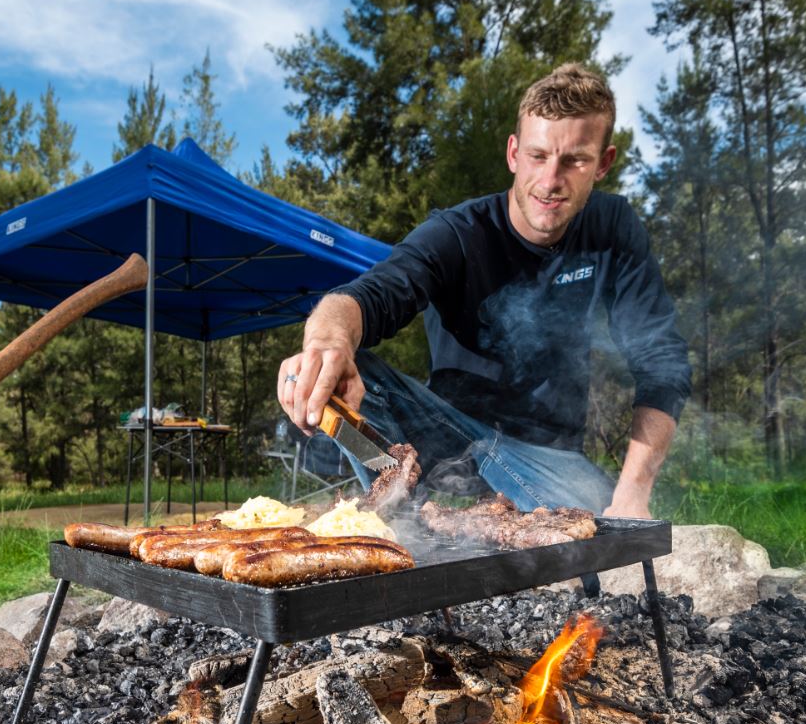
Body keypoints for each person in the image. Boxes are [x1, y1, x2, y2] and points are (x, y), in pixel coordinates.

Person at [277, 62, 691, 518]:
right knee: (350, 373)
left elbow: (663, 364)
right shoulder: (457, 232)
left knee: (594, 518)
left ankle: (503, 515)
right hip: (443, 439)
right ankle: (398, 510)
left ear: (603, 164)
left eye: (574, 161)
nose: (551, 181)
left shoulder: (613, 228)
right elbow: (371, 293)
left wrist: (632, 494)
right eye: (537, 156)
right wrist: (325, 341)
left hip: (545, 462)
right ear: (514, 153)